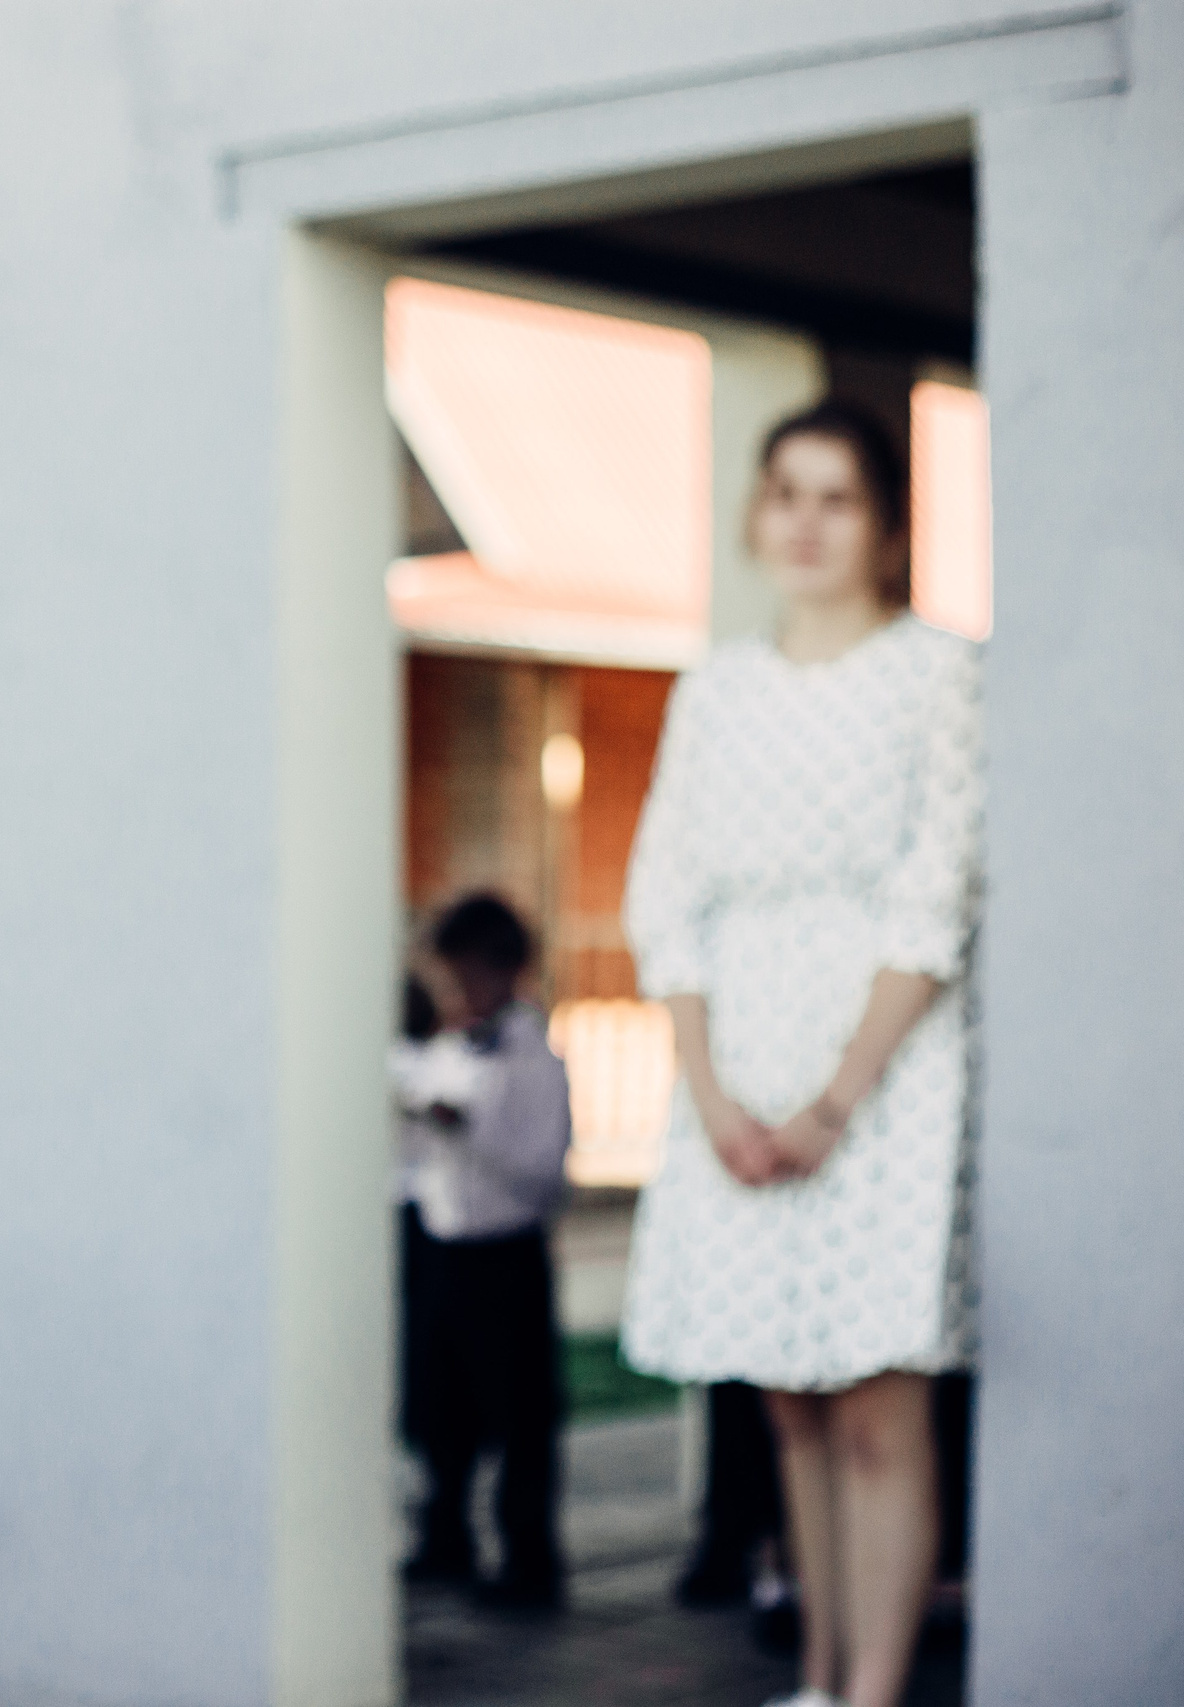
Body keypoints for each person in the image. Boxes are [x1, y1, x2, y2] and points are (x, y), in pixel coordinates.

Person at [619, 398, 982, 1707]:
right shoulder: (714, 686)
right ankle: (818, 1677)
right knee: (789, 1400)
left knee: (880, 1405)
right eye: (787, 491)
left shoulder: (940, 669)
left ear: (887, 527)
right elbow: (666, 894)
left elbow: (937, 895)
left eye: (839, 497)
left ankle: (874, 1686)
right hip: (736, 1068)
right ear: (753, 513)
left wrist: (835, 1100)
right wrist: (714, 1094)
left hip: (883, 1064)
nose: (808, 521)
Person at [391, 895, 573, 1611]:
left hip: (507, 1254)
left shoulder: (534, 1055)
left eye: (468, 976)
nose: (457, 993)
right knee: (440, 1404)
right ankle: (445, 1536)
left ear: (505, 971)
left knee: (520, 1413)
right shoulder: (442, 1048)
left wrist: (466, 1130)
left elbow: (544, 1168)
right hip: (443, 1245)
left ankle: (530, 1558)